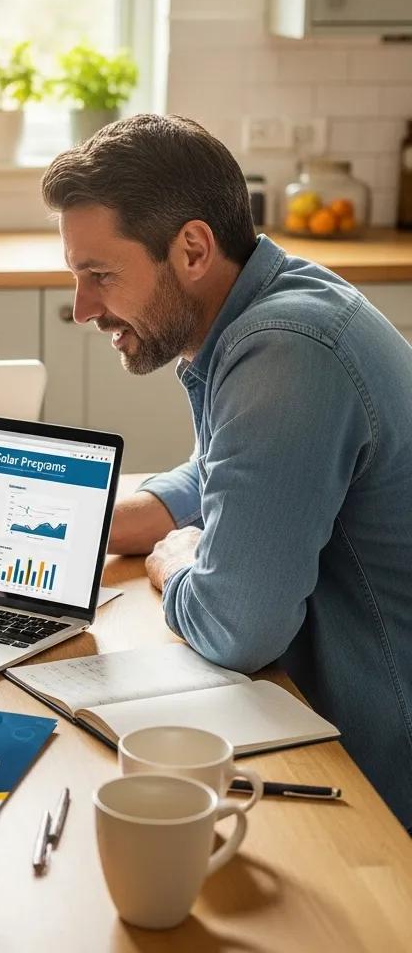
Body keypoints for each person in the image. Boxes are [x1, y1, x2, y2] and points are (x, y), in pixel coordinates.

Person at [41, 113, 412, 831]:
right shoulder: (276, 307)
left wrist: (176, 563)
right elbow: (252, 464)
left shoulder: (286, 351)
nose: (85, 308)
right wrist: (152, 507)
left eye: (101, 276)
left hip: (381, 764)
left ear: (192, 249)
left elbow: (238, 629)